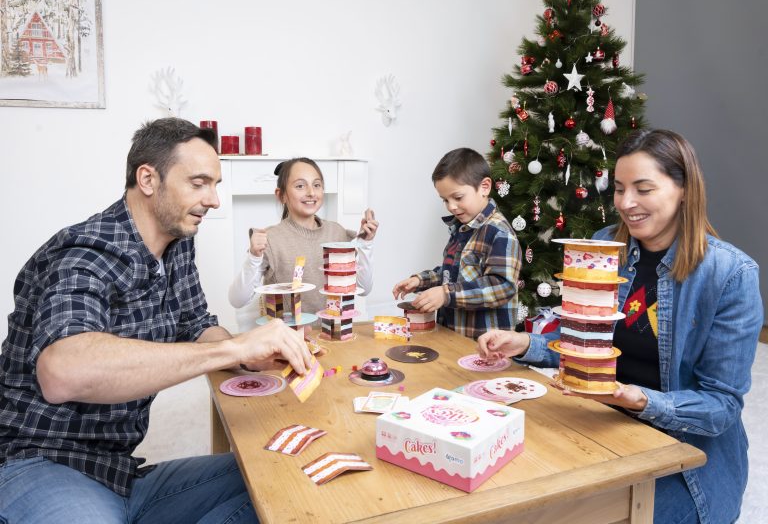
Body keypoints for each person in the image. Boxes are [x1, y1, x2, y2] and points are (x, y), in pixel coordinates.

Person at [0, 118, 312, 523]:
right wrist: (233, 347)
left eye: (215, 184)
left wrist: (251, 357)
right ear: (148, 178)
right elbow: (62, 372)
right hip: (40, 464)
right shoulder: (86, 253)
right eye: (199, 183)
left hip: (121, 476)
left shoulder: (177, 246)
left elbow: (197, 324)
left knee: (281, 473)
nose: (214, 199)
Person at [477, 129, 763, 524]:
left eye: (643, 189)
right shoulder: (603, 247)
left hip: (684, 457)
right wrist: (525, 344)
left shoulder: (730, 274)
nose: (626, 204)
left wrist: (638, 399)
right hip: (601, 426)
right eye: (619, 188)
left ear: (684, 190)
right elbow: (583, 341)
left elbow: (721, 407)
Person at [392, 147, 521, 339]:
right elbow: (452, 273)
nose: (451, 206)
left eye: (458, 197)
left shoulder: (499, 233)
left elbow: (502, 286)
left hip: (485, 346)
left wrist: (446, 294)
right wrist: (421, 280)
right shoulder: (462, 228)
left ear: (484, 187)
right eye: (445, 200)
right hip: (453, 338)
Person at [228, 157, 378, 318]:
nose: (311, 192)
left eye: (317, 185)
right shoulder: (270, 239)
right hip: (288, 338)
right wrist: (253, 258)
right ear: (281, 195)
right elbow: (237, 300)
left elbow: (364, 289)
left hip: (333, 335)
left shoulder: (337, 233)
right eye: (300, 186)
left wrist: (365, 244)